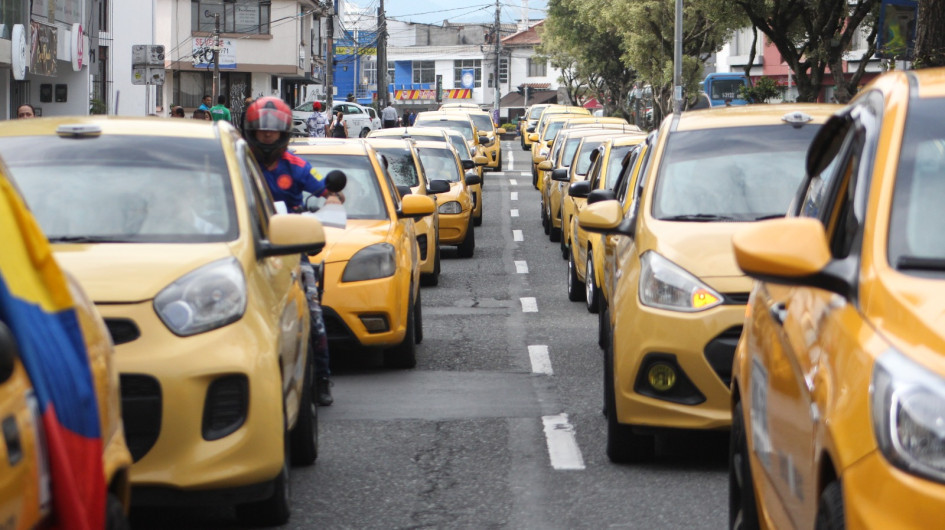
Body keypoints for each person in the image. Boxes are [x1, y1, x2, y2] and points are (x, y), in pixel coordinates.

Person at [242, 96, 344, 406]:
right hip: (245, 248)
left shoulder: (296, 166)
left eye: (274, 131)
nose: (268, 136)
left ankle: (323, 379)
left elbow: (331, 192)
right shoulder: (237, 164)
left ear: (284, 133)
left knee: (312, 313)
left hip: (288, 250)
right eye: (262, 131)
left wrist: (330, 205)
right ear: (251, 131)